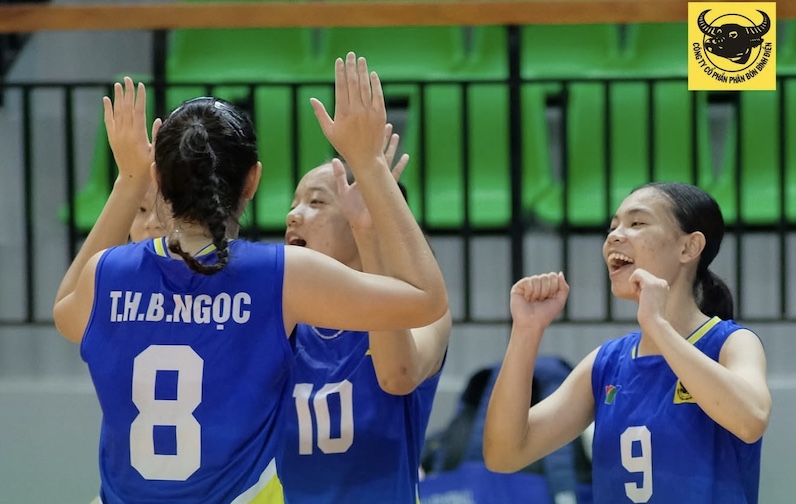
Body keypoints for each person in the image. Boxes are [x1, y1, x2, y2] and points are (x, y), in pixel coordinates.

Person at [52, 52, 448, 504]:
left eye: (317, 202)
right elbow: (426, 297)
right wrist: (370, 162)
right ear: (252, 182)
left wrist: (128, 180)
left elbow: (66, 311)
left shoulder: (107, 273)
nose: (295, 214)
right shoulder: (277, 276)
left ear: (158, 181)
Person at [483, 182, 771, 504]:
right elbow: (503, 454)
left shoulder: (732, 343)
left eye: (637, 223)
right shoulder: (605, 363)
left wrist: (658, 325)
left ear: (689, 248)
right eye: (613, 226)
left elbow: (751, 420)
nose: (614, 237)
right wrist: (526, 331)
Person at [278, 125, 452, 504]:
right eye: (294, 203)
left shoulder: (424, 313)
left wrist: (368, 230)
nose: (293, 215)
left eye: (316, 202)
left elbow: (398, 376)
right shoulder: (278, 315)